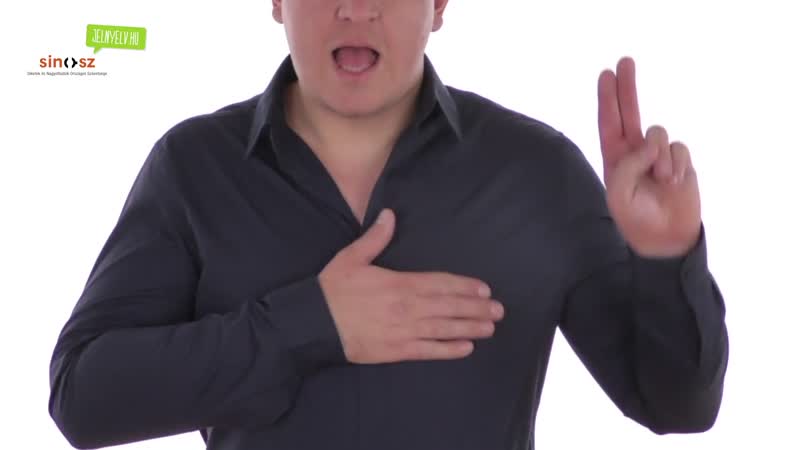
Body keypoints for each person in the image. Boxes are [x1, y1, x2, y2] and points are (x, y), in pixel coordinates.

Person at [48, 1, 729, 449]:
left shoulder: (537, 170)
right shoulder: (194, 168)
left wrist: (667, 258)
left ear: (439, 6)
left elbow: (677, 406)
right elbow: (83, 396)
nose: (355, 9)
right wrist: (311, 325)